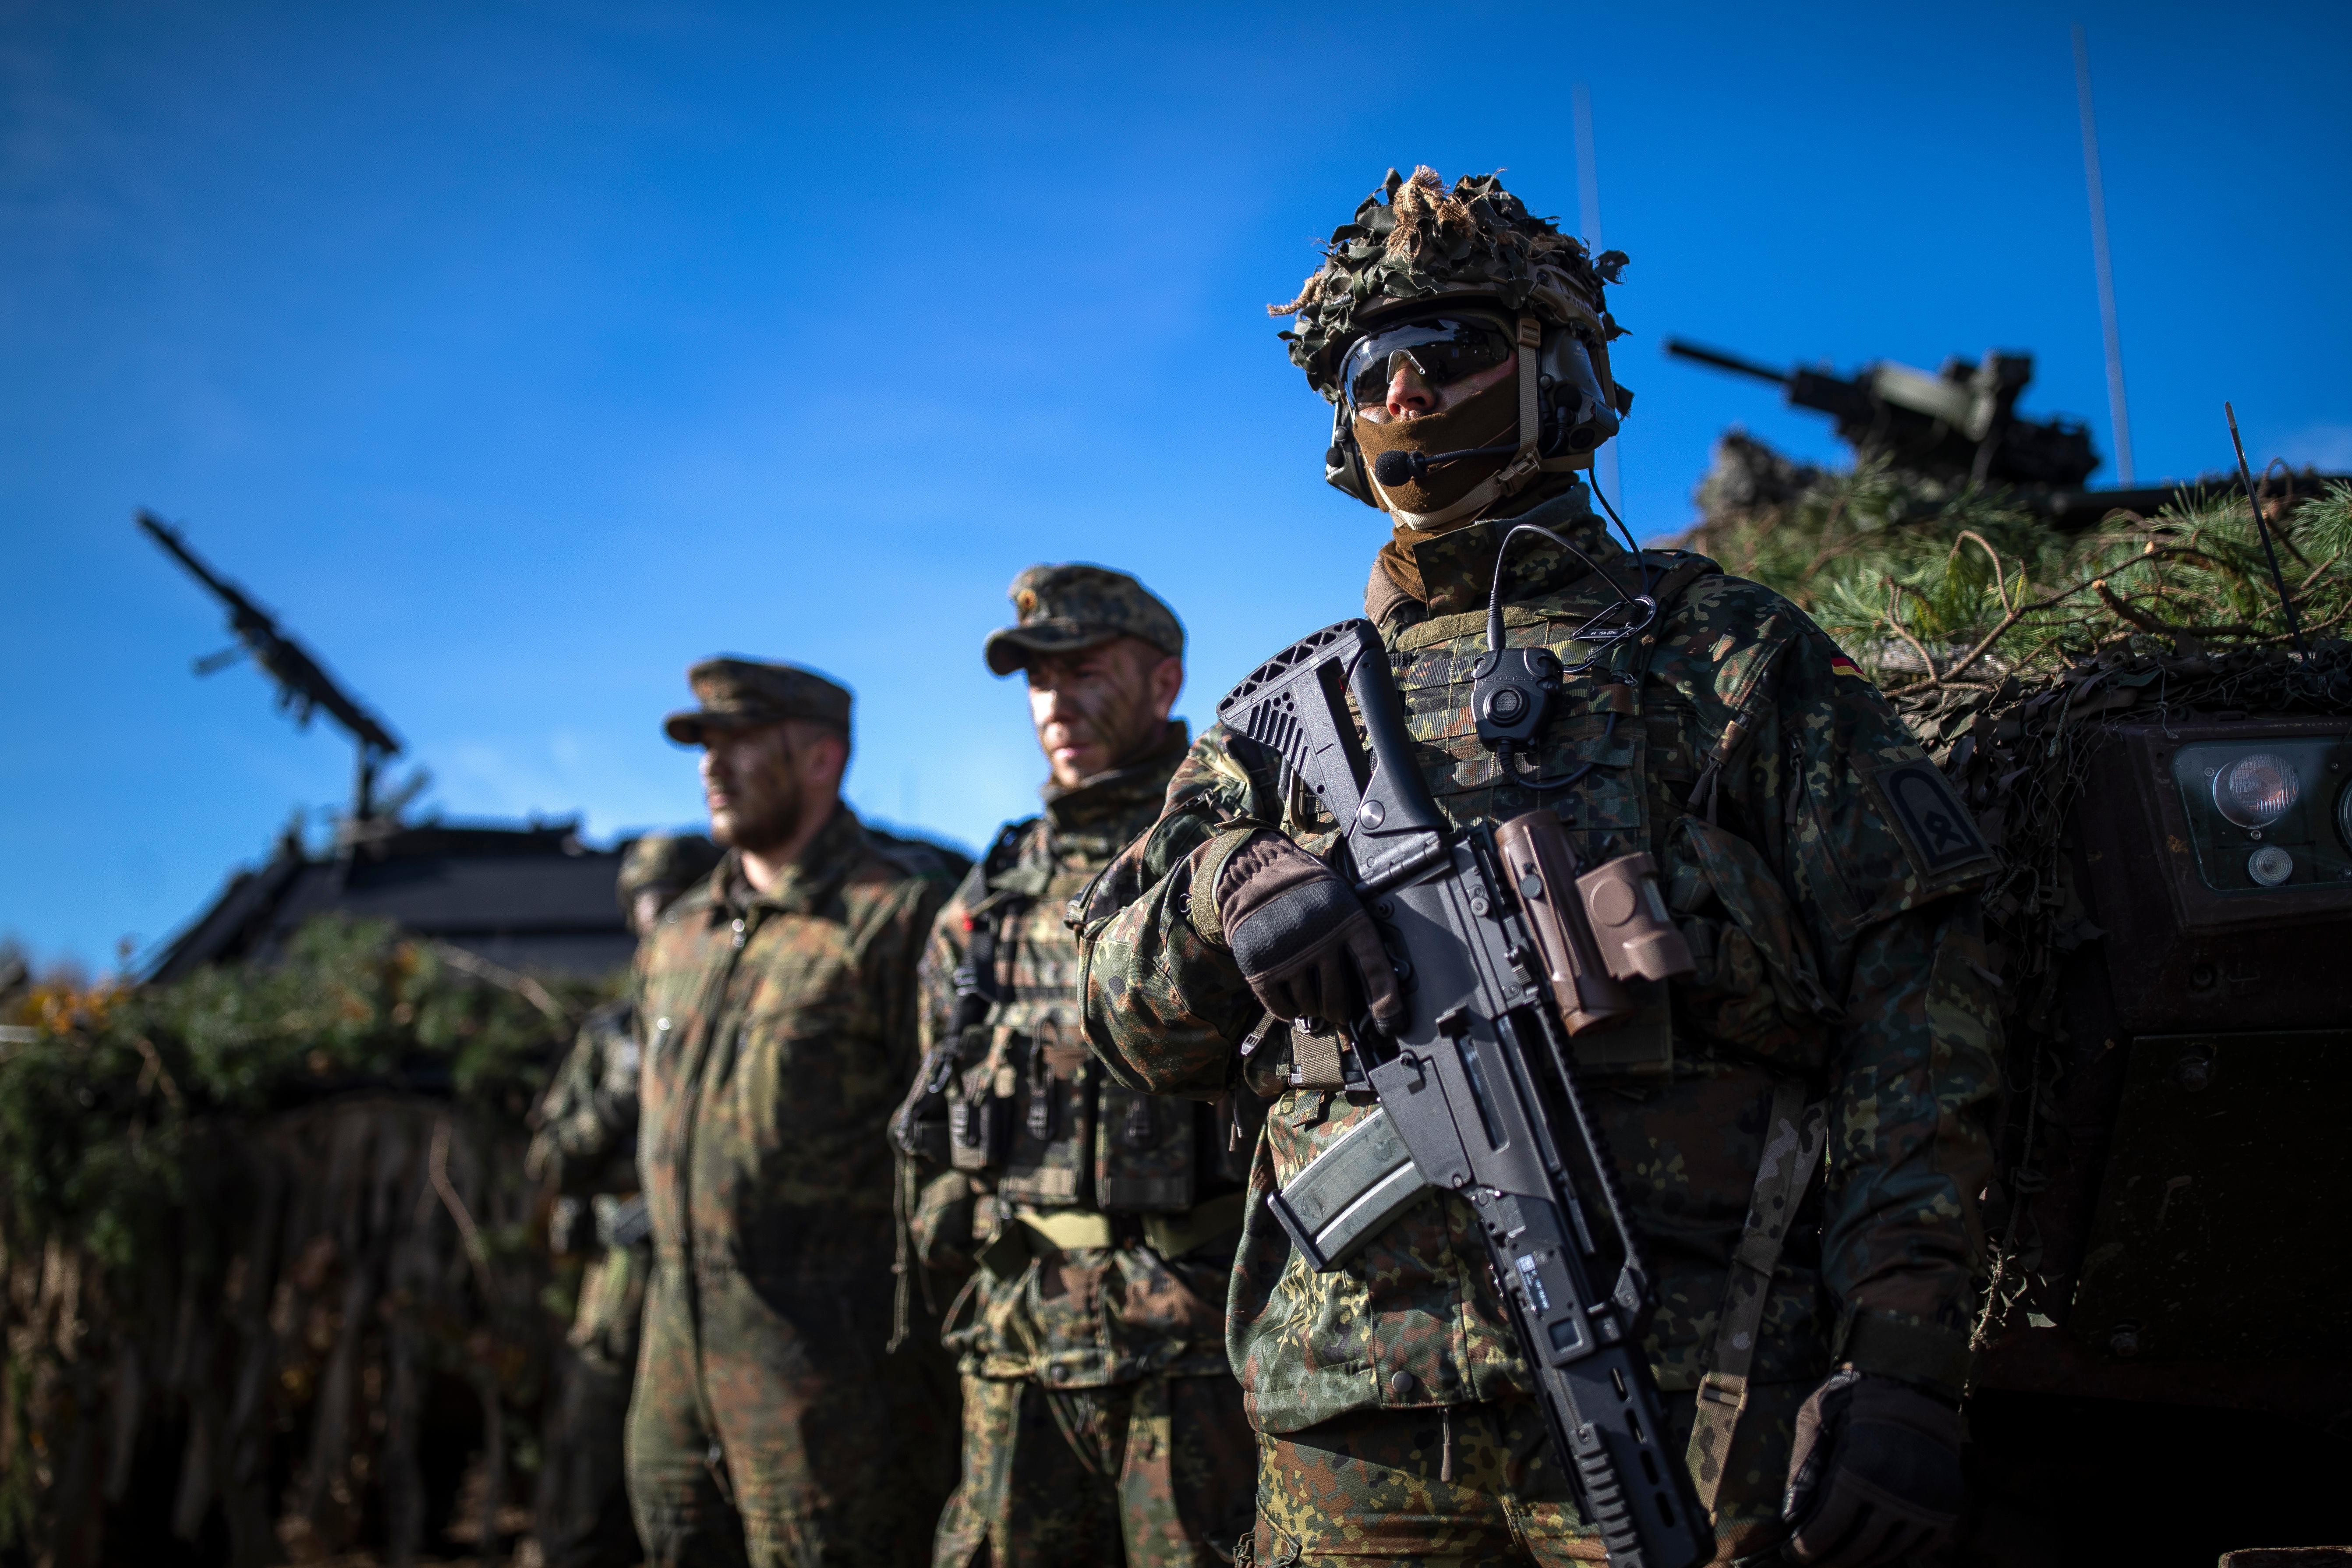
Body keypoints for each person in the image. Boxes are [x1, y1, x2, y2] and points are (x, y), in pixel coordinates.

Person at [1072, 168, 2001, 1567]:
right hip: (1350, 1407)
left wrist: (1905, 1347)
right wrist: (1225, 891)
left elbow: (1920, 995)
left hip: (1686, 1381)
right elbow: (1120, 1017)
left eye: (1442, 354)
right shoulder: (1276, 728)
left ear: (1553, 368)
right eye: (1366, 369)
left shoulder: (1719, 655)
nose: (1399, 397)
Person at [894, 565, 1256, 1568]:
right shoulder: (990, 895)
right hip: (1018, 1350)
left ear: (1164, 683)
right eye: (1037, 677)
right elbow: (936, 1107)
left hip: (1197, 1351)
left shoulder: (1231, 859)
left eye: (1085, 668)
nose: (1054, 699)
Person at [627, 658, 958, 1568]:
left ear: (822, 758)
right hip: (676, 1366)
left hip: (833, 1385)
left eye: (741, 743)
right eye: (705, 745)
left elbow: (953, 1157)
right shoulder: (680, 932)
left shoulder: (897, 914)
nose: (712, 767)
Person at [531, 832, 724, 1568]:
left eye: (675, 905)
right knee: (591, 1500)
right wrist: (619, 1095)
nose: (661, 922)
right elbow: (550, 1160)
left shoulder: (741, 1022)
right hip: (622, 1294)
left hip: (722, 1289)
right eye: (649, 909)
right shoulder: (610, 1037)